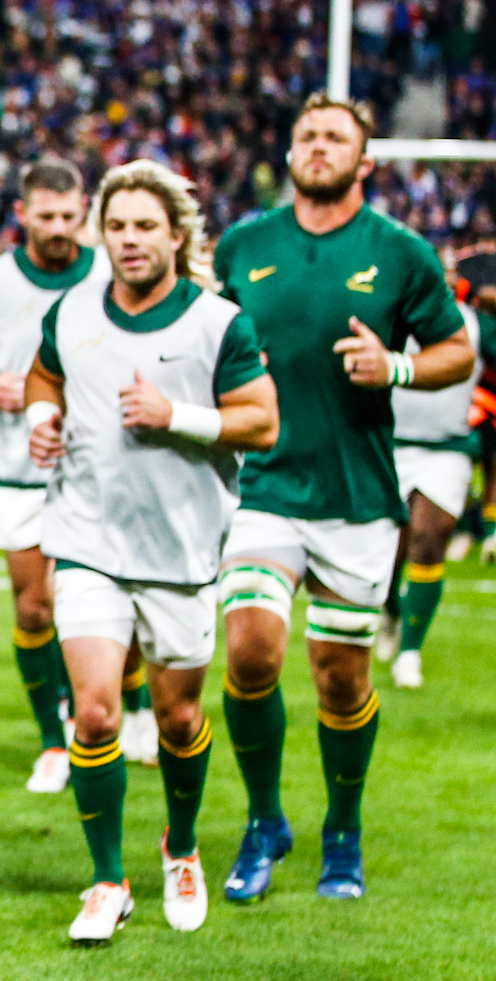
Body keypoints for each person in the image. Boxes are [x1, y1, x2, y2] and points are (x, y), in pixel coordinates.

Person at [212, 93, 474, 903]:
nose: (317, 147)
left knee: (339, 678)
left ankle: (344, 832)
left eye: (334, 138)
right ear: (288, 153)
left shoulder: (399, 253)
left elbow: (456, 352)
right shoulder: (243, 244)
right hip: (262, 487)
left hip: (358, 497)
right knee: (251, 650)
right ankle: (263, 823)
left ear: (364, 161)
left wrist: (393, 366)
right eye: (305, 136)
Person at [25, 159, 280, 943]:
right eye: (118, 226)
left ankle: (181, 847)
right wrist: (41, 417)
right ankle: (107, 880)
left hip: (182, 551)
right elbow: (45, 378)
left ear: (176, 234)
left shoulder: (217, 322)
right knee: (97, 714)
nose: (129, 240)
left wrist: (179, 415)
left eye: (144, 226)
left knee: (177, 717)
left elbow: (262, 423)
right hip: (87, 543)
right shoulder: (71, 313)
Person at [0, 158, 137, 791]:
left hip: (103, 469)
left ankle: (130, 711)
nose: (60, 228)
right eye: (47, 216)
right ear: (24, 214)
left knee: (117, 603)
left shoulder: (112, 274)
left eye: (69, 216)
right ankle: (52, 742)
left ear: (84, 212)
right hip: (21, 472)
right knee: (34, 610)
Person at [375, 291, 488, 688]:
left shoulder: (476, 325)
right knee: (389, 551)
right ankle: (389, 609)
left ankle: (410, 651)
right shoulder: (381, 312)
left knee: (429, 535)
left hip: (448, 447)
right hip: (388, 444)